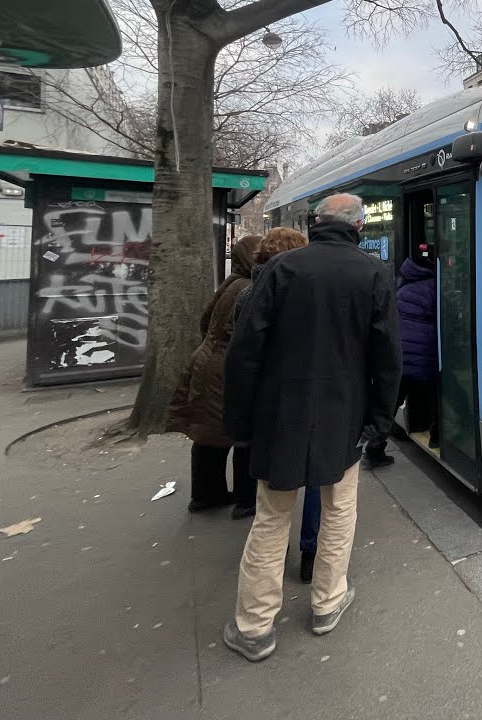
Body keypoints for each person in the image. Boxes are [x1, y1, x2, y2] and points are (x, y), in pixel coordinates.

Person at [222, 194, 401, 662]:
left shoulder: (280, 269)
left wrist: (239, 422)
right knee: (339, 510)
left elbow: (244, 352)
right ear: (358, 226)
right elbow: (387, 358)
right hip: (344, 416)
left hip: (279, 414)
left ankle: (254, 627)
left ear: (316, 222)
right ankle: (327, 602)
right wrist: (379, 420)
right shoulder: (373, 273)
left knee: (271, 518)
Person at [165, 234, 262, 515]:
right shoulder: (248, 287)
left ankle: (207, 494)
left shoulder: (232, 282)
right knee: (241, 435)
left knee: (209, 434)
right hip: (225, 368)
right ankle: (244, 500)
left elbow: (205, 321)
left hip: (209, 361)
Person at [229, 227, 309, 519]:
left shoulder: (246, 292)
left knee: (255, 454)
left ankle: (246, 500)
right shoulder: (295, 294)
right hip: (287, 392)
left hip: (259, 392)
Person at [396, 241, 439, 446]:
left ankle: (374, 446)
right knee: (438, 395)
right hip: (424, 354)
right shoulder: (434, 285)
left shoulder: (403, 281)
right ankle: (437, 437)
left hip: (402, 353)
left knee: (393, 400)